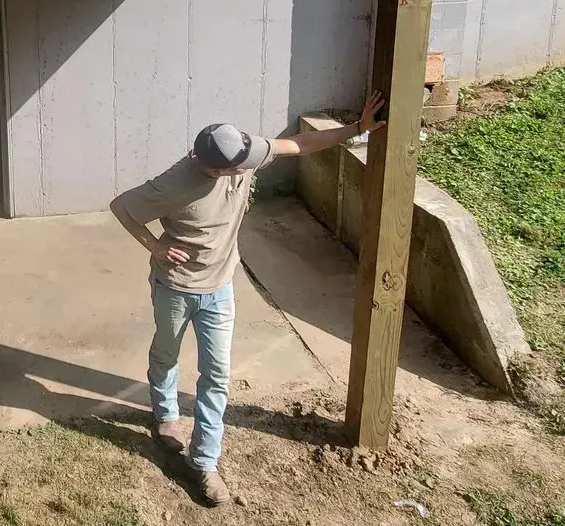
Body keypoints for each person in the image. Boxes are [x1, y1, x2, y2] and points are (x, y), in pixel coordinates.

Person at [107, 90, 388, 506]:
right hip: (175, 288)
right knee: (166, 353)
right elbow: (121, 206)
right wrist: (154, 245)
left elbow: (299, 145)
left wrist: (357, 129)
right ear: (216, 168)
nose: (248, 168)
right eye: (239, 167)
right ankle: (165, 416)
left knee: (216, 375)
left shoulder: (244, 150)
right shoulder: (175, 183)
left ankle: (204, 462)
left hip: (220, 289)